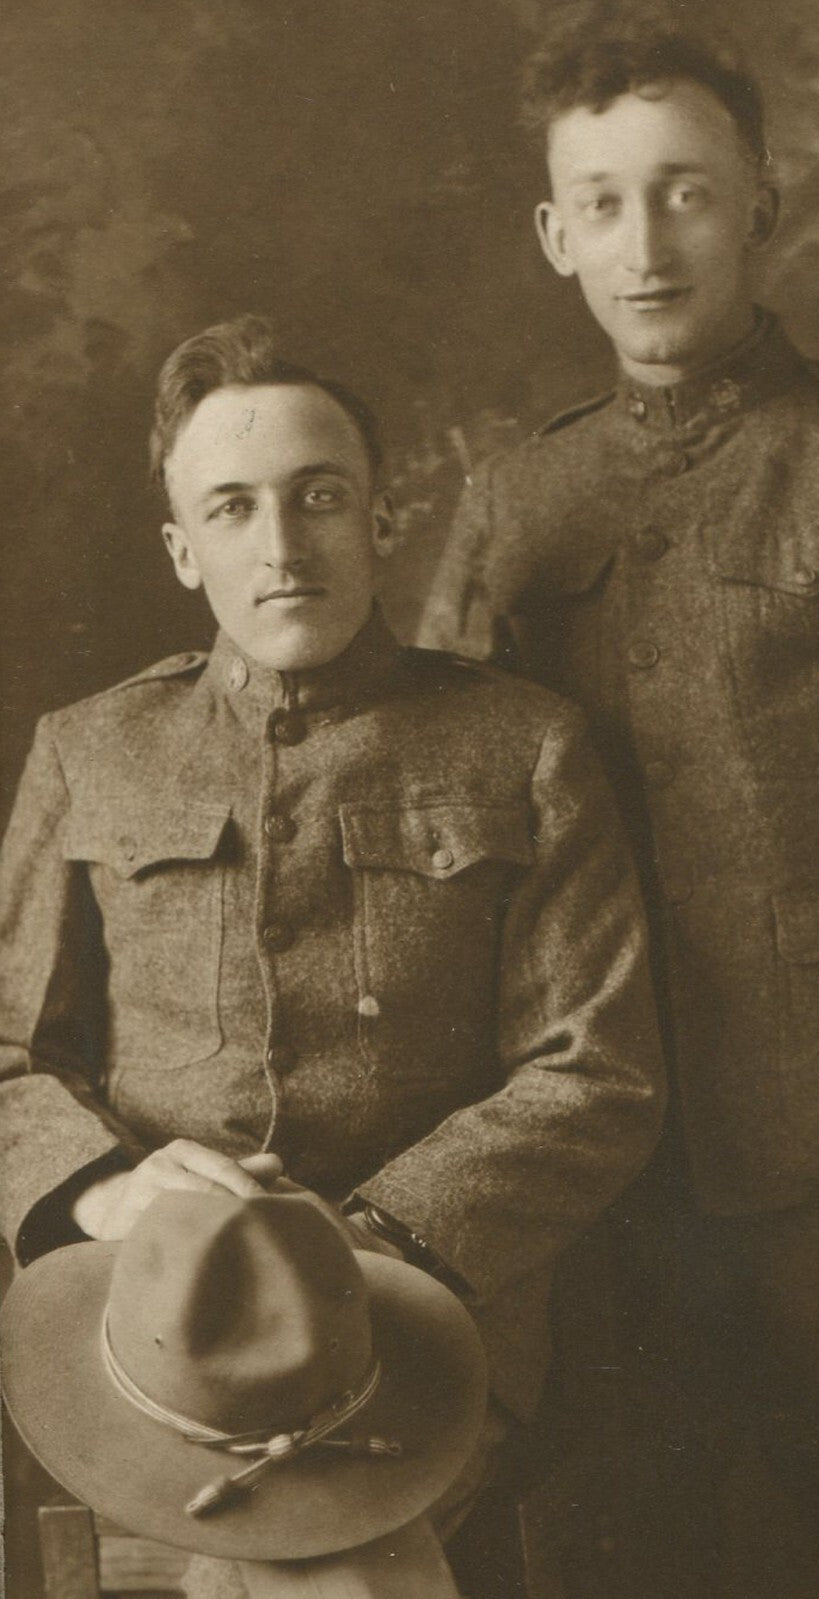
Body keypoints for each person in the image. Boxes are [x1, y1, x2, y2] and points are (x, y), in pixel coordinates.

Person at [419, 4, 819, 1594]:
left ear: (758, 203)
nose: (651, 240)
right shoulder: (513, 506)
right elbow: (444, 840)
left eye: (688, 189)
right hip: (596, 1178)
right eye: (608, 200)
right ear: (554, 233)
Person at [0, 314, 665, 1597]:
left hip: (427, 1311)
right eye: (235, 509)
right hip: (153, 1318)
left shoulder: (520, 746)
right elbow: (9, 1056)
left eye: (319, 499)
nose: (284, 545)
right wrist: (106, 1199)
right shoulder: (90, 750)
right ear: (183, 551)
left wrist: (353, 1252)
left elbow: (597, 1073)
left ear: (381, 517)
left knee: (339, 1559)